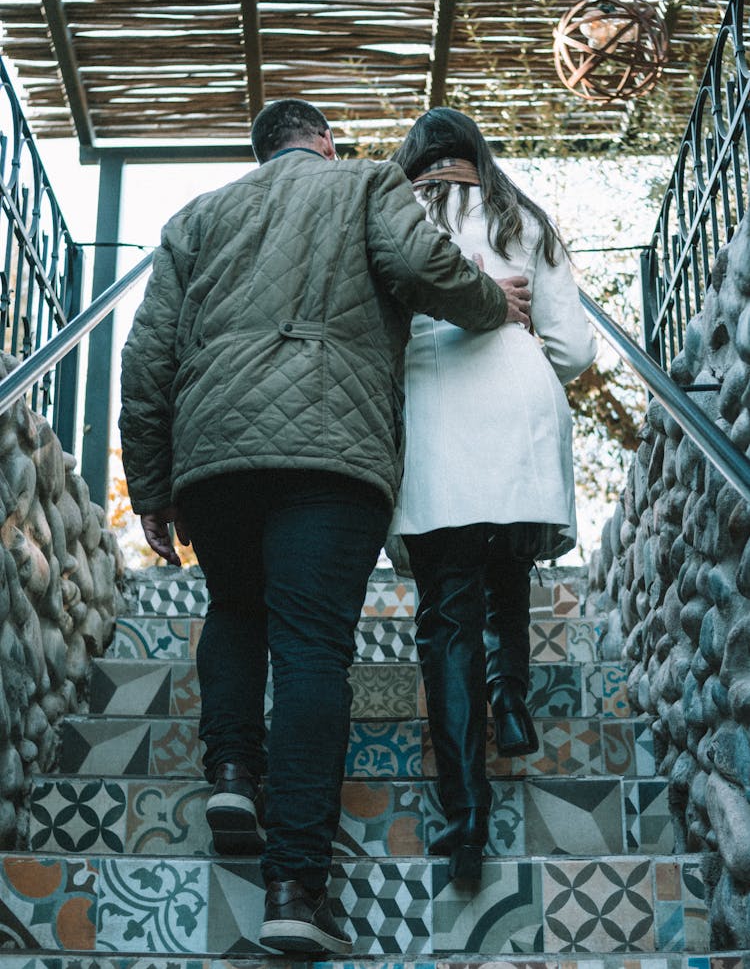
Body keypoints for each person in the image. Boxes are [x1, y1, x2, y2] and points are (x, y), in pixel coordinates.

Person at [118, 98, 530, 956]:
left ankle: (231, 769)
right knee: (312, 649)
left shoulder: (195, 217)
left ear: (261, 150)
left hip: (216, 450)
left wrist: (152, 486)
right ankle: (294, 885)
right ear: (325, 141)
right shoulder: (366, 182)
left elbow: (146, 356)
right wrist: (496, 304)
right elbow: (423, 264)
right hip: (331, 453)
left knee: (234, 607)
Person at [388, 107, 597, 885]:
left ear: (414, 159)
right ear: (478, 155)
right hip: (520, 410)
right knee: (507, 567)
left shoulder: (393, 212)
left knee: (447, 619)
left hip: (435, 415)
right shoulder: (524, 217)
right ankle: (512, 702)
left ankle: (466, 820)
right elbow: (573, 346)